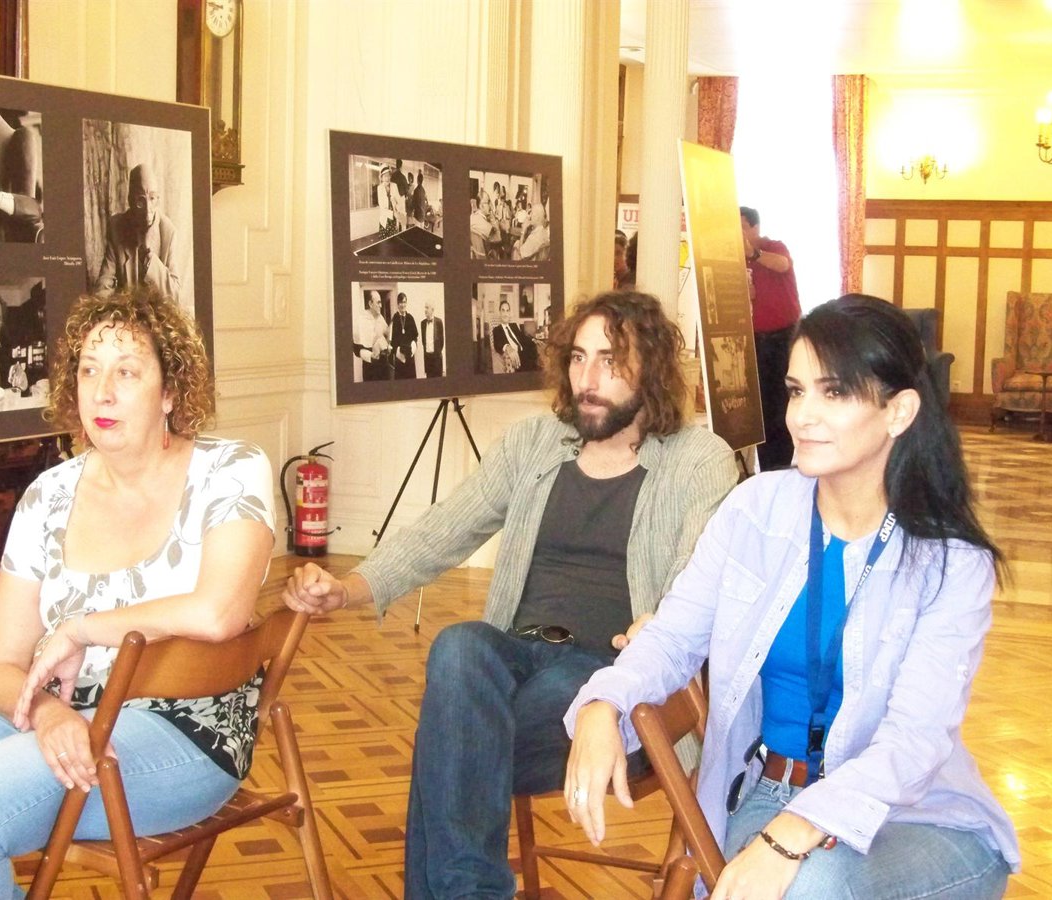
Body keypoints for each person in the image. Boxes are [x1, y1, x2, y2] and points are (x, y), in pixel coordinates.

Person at [283, 290, 737, 899]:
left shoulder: (697, 459)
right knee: (459, 646)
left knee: (450, 742)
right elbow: (445, 529)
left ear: (651, 369)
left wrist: (660, 623)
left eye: (610, 361)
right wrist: (347, 589)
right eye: (578, 358)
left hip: (616, 682)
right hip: (517, 655)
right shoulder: (534, 444)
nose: (587, 379)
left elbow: (696, 572)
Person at [564, 294, 1019, 900]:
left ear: (899, 411)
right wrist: (604, 703)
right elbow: (672, 638)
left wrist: (795, 832)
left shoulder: (948, 561)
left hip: (915, 814)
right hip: (770, 792)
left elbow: (915, 740)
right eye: (797, 391)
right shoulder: (755, 510)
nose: (802, 416)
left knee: (811, 887)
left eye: (834, 393)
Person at [0, 286, 275, 899]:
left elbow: (219, 613)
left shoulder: (231, 470)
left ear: (170, 392)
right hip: (57, 710)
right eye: (89, 370)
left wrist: (80, 628)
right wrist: (49, 713)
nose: (102, 392)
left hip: (185, 727)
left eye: (126, 372)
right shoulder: (47, 496)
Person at [741, 206, 801, 472]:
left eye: (742, 227)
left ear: (755, 228)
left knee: (782, 406)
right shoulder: (737, 260)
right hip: (755, 341)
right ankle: (766, 469)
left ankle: (781, 466)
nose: (737, 234)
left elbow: (783, 264)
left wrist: (753, 254)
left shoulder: (773, 247)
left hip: (784, 339)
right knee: (761, 411)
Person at [94, 164, 181, 301]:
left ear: (158, 199)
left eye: (152, 198)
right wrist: (106, 308)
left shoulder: (168, 232)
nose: (147, 210)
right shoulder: (116, 227)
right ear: (130, 200)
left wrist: (149, 259)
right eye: (141, 200)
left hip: (157, 311)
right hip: (125, 310)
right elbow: (104, 285)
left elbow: (175, 296)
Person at [491, 299, 538, 373]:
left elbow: (523, 337)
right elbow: (497, 344)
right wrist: (508, 347)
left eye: (507, 311)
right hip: (517, 358)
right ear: (500, 313)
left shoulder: (514, 326)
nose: (505, 314)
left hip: (526, 353)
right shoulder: (497, 330)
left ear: (509, 313)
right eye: (503, 310)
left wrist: (533, 339)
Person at [355, 290, 391, 381]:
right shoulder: (361, 320)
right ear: (370, 304)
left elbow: (387, 336)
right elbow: (356, 349)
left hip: (383, 366)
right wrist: (370, 355)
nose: (381, 306)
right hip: (370, 368)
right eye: (378, 303)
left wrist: (388, 347)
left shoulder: (381, 318)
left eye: (381, 303)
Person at [390, 292, 419, 379]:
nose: (403, 305)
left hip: (410, 355)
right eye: (401, 302)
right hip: (400, 357)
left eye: (404, 302)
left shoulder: (410, 318)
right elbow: (392, 340)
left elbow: (415, 337)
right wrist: (397, 352)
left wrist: (413, 347)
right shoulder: (395, 318)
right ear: (398, 304)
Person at [469, 190, 500, 258]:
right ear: (481, 205)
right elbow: (498, 238)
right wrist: (492, 217)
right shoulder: (482, 223)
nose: (490, 205)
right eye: (488, 202)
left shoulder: (472, 217)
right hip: (485, 258)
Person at [421, 301, 444, 378]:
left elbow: (441, 342)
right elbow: (423, 342)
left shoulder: (439, 322)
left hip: (436, 359)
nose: (425, 310)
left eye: (427, 307)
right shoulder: (422, 323)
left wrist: (437, 353)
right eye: (425, 307)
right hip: (427, 359)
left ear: (432, 309)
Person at [377, 167, 402, 237]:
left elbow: (399, 201)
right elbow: (381, 206)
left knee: (394, 239)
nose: (387, 178)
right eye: (385, 176)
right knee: (384, 240)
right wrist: (392, 213)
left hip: (394, 218)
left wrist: (397, 210)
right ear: (381, 178)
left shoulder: (394, 186)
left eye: (388, 176)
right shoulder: (379, 188)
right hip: (385, 218)